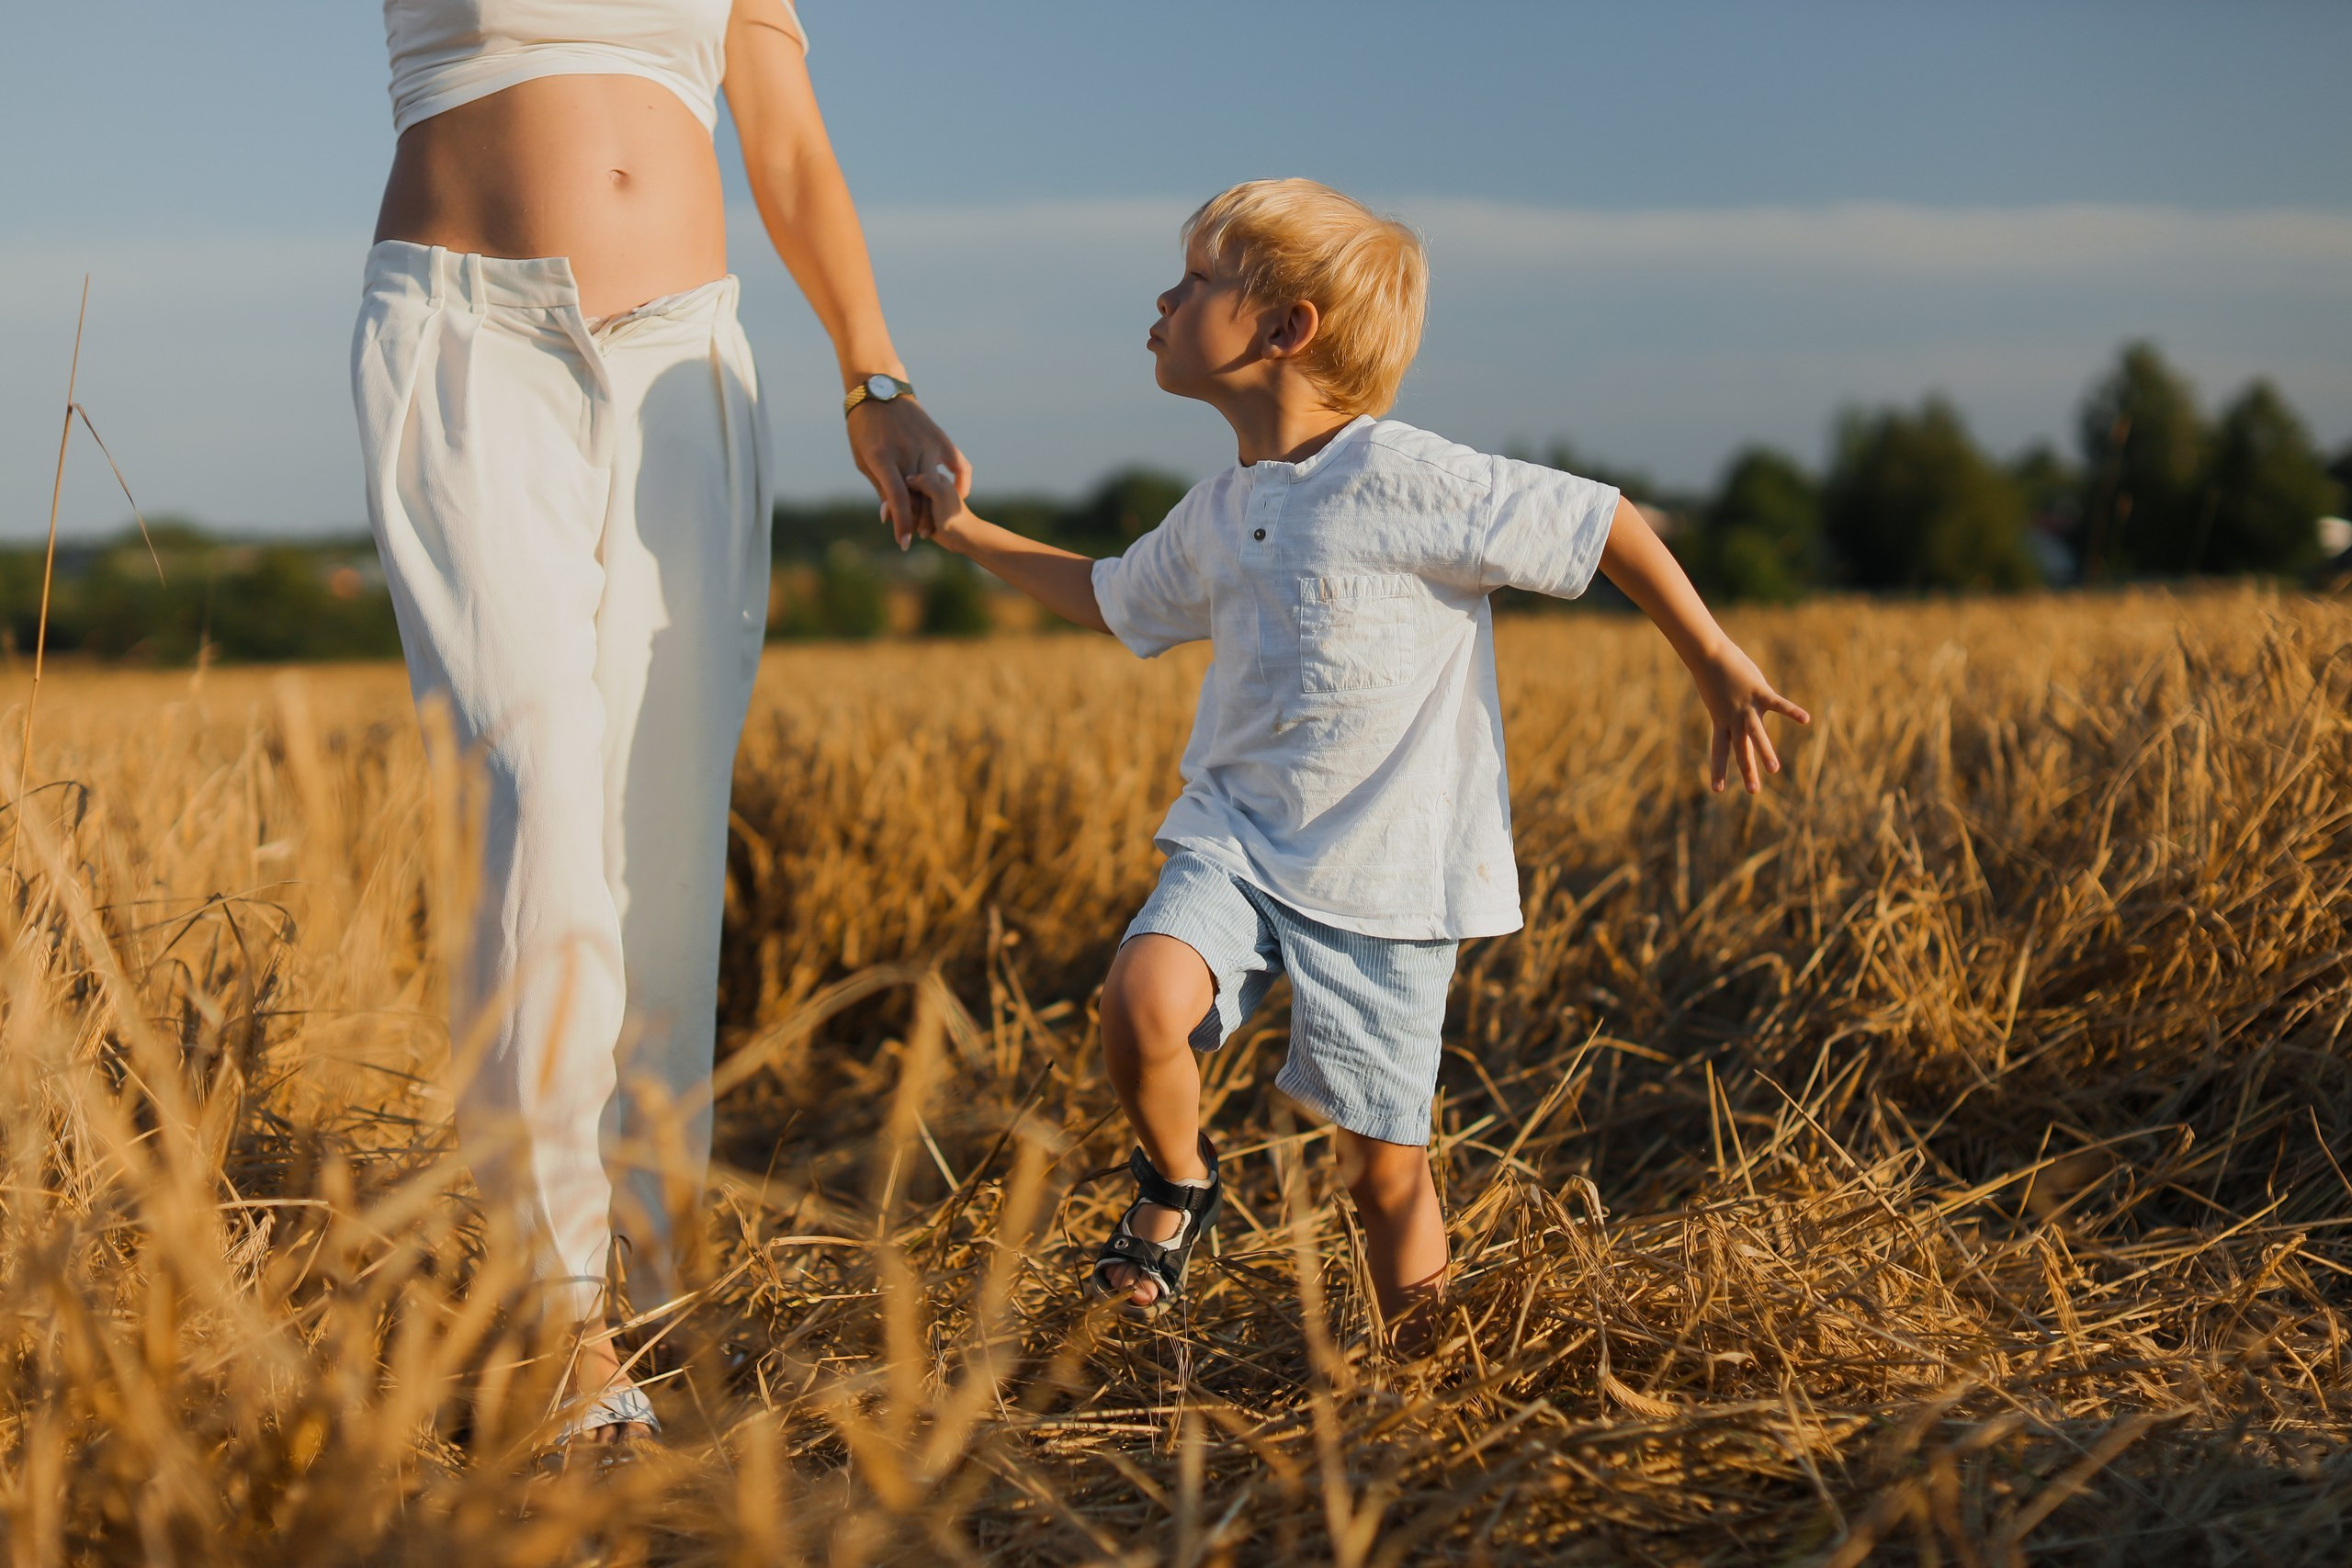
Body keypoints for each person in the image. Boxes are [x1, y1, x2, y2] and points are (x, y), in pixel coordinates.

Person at [905, 178, 1806, 1339]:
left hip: (1389, 880)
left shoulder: (1407, 479)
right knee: (1138, 1004)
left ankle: (1427, 1387)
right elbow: (1103, 595)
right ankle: (1178, 1184)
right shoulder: (1217, 511)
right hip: (1236, 845)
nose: (1164, 299)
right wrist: (964, 529)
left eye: (1194, 282)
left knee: (1381, 1181)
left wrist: (1715, 660)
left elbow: (1605, 523)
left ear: (1285, 329)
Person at [351, 0, 967, 1450]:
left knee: (661, 845)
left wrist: (872, 375)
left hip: (688, 355)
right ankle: (549, 1311)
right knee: (534, 799)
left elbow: (792, 150)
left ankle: (655, 1278)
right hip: (467, 330)